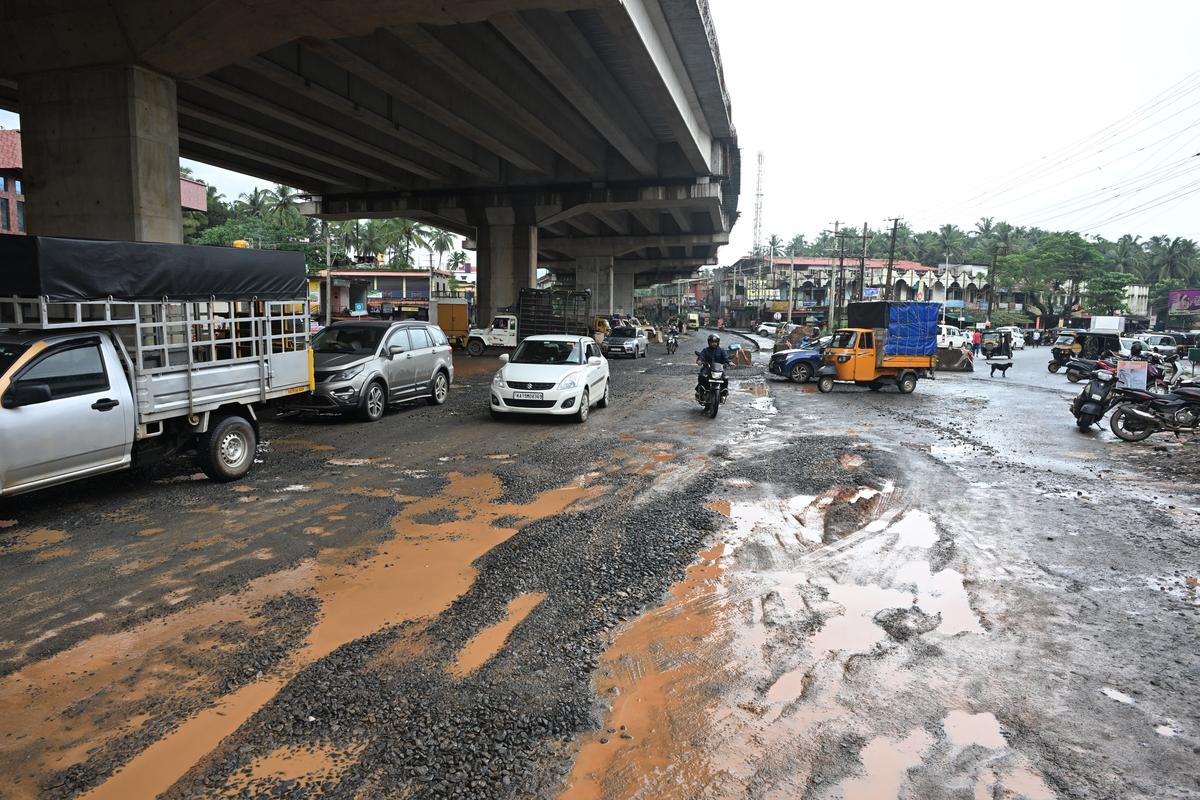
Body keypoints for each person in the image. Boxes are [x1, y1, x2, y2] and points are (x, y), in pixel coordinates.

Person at [696, 333, 730, 398]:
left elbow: (726, 357)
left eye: (715, 342)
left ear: (718, 343)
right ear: (709, 342)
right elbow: (701, 356)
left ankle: (724, 392)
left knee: (725, 378)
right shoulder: (705, 350)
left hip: (719, 369)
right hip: (707, 368)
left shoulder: (721, 350)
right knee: (701, 376)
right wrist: (699, 361)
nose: (714, 343)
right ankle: (700, 390)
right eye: (712, 342)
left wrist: (729, 362)